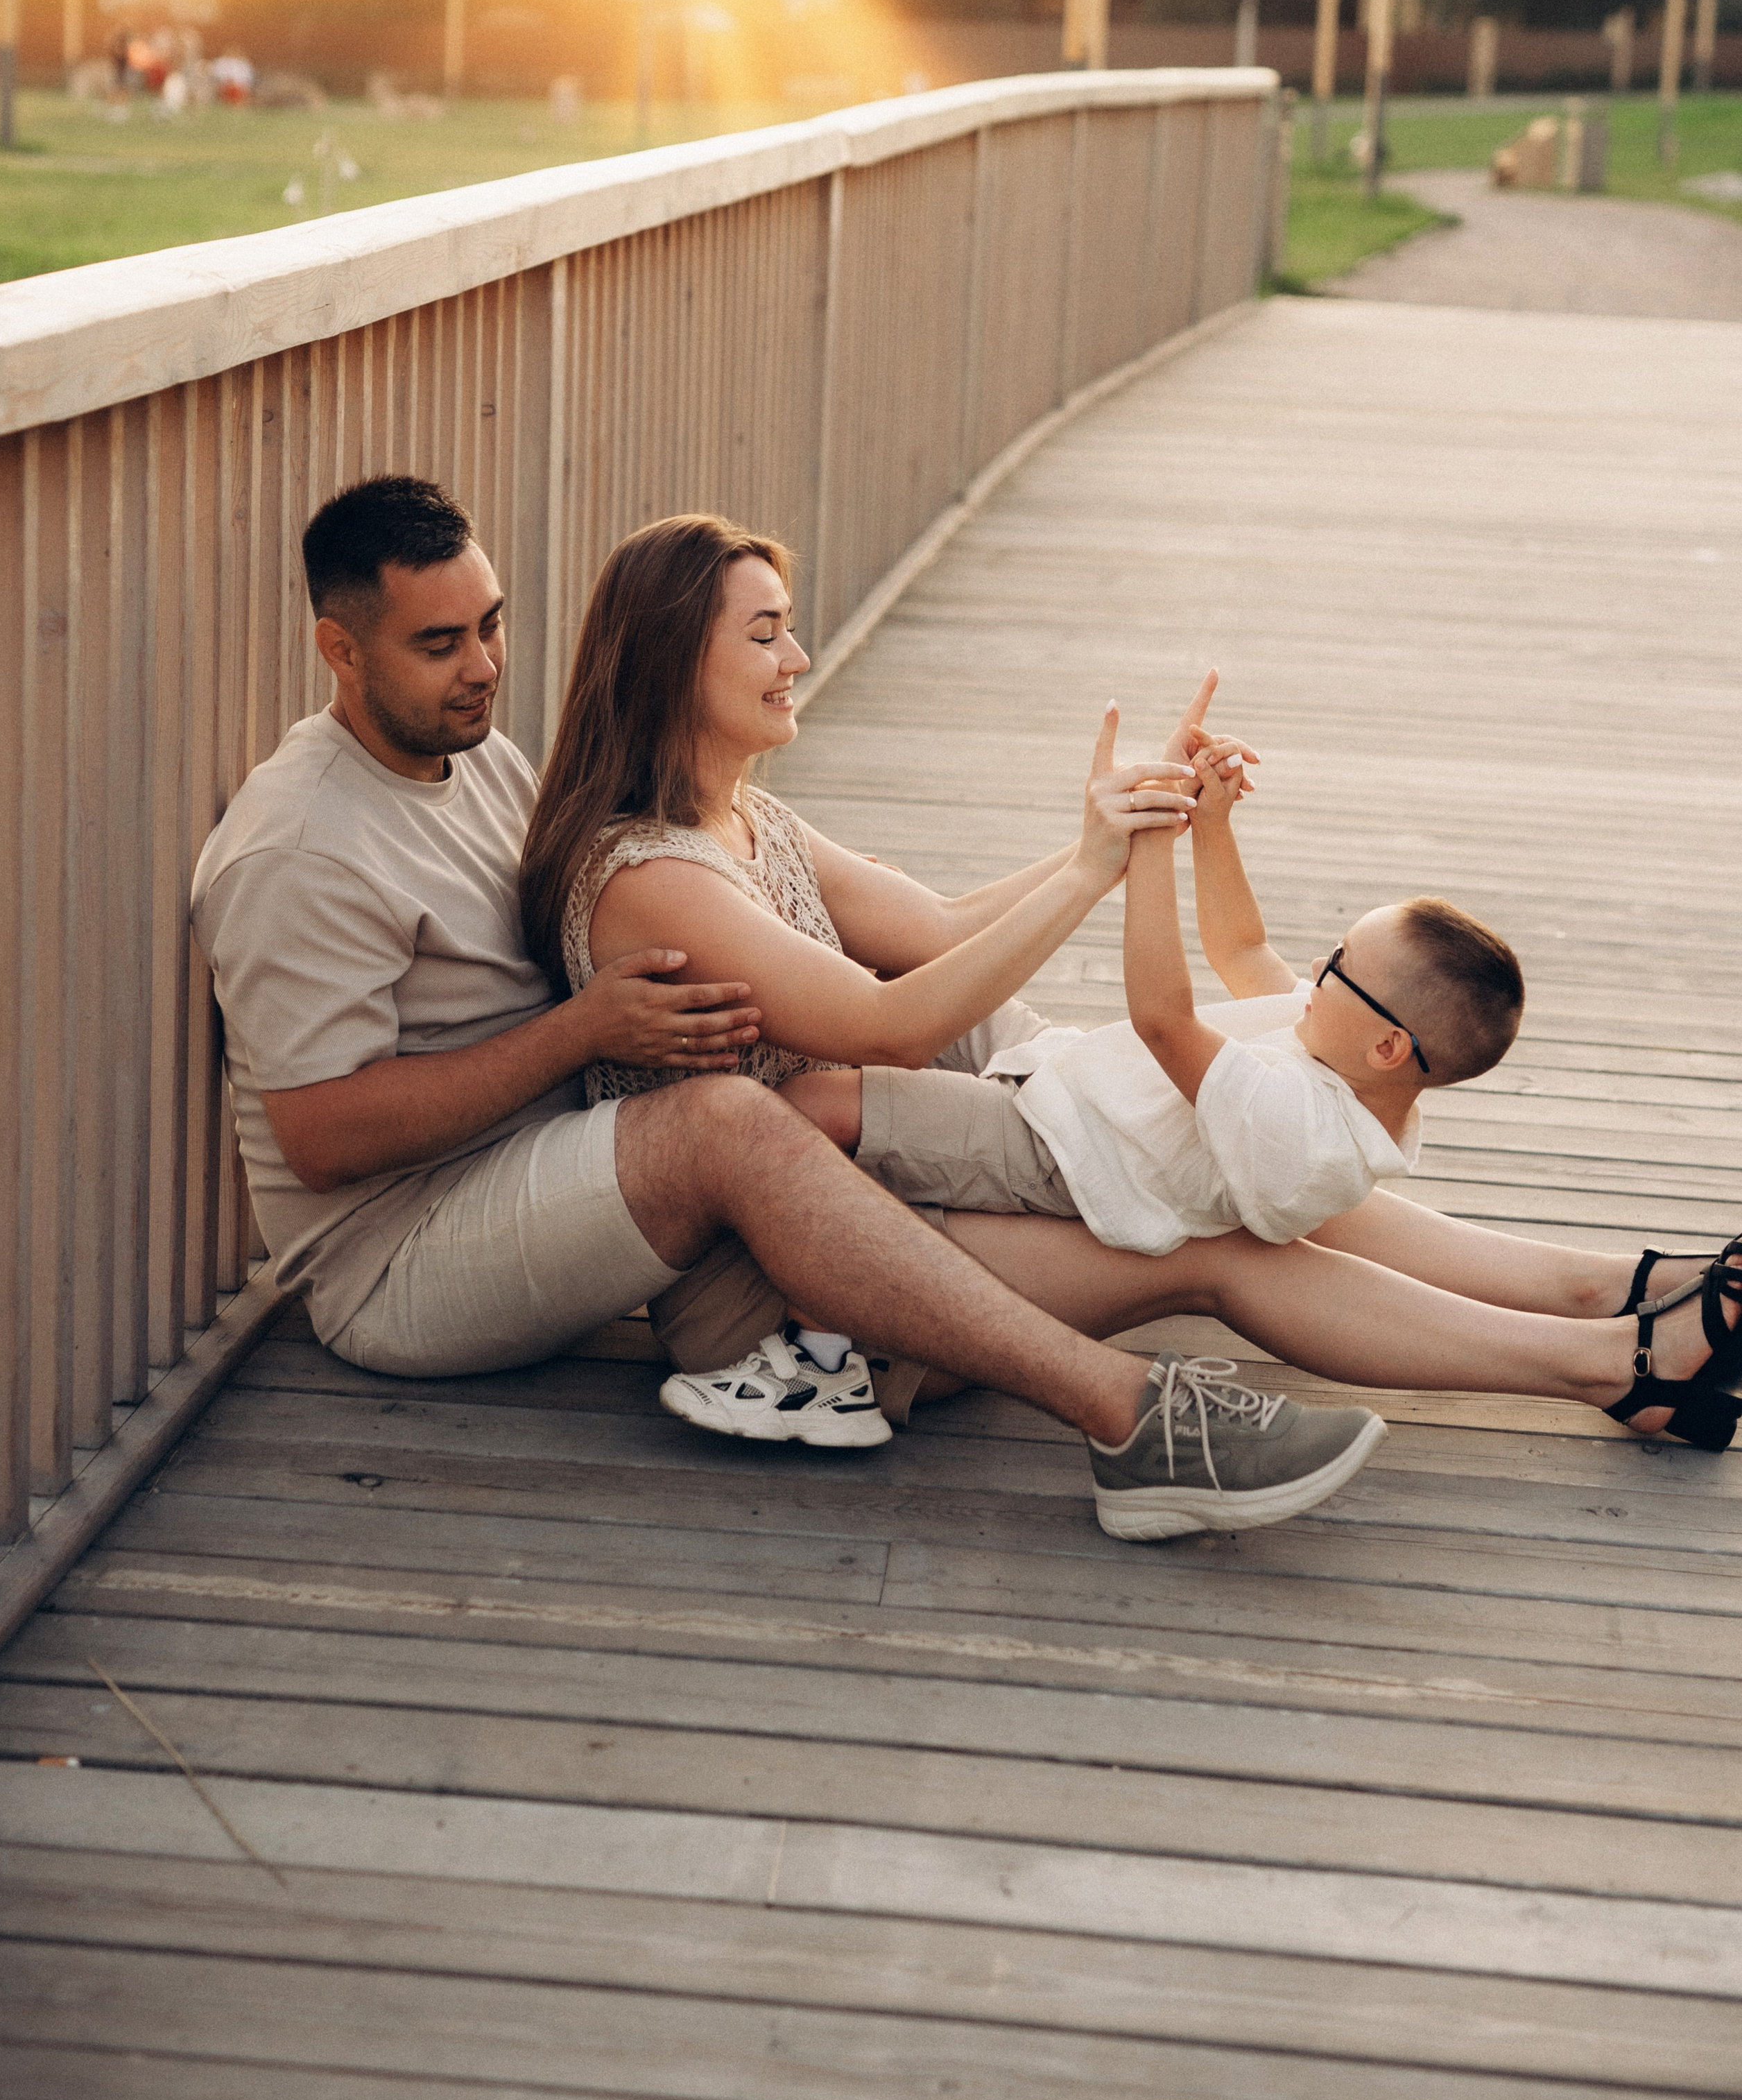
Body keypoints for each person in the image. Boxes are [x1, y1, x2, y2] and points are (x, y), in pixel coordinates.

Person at [191, 475, 1389, 1547]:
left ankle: (1230, 1195)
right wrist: (581, 1033)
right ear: (339, 652)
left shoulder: (478, 753)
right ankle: (1126, 1415)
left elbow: (928, 939)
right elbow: (319, 1137)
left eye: (494, 625)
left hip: (559, 1168)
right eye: (439, 643)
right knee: (732, 1117)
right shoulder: (300, 847)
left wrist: (1111, 842)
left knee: (947, 1048)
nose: (487, 667)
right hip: (402, 1258)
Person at [525, 516, 1742, 1456]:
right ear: (673, 654)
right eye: (764, 633)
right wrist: (1113, 861)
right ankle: (1616, 1364)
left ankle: (1614, 1293)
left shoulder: (753, 819)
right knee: (1216, 1237)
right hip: (788, 1292)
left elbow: (943, 925)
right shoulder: (649, 875)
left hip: (871, 1187)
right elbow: (892, 1017)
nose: (796, 656)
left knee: (1221, 1142)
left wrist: (1132, 820)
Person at [784, 721, 1524, 1263]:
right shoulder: (1345, 1049)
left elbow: (1162, 1019)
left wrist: (1151, 850)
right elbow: (1241, 947)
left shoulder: (1299, 1132)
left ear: (1389, 1044)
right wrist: (1209, 822)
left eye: (1337, 964)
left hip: (1054, 1146)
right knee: (903, 968)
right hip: (1058, 1070)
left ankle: (814, 1341)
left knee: (815, 1108)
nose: (1316, 967)